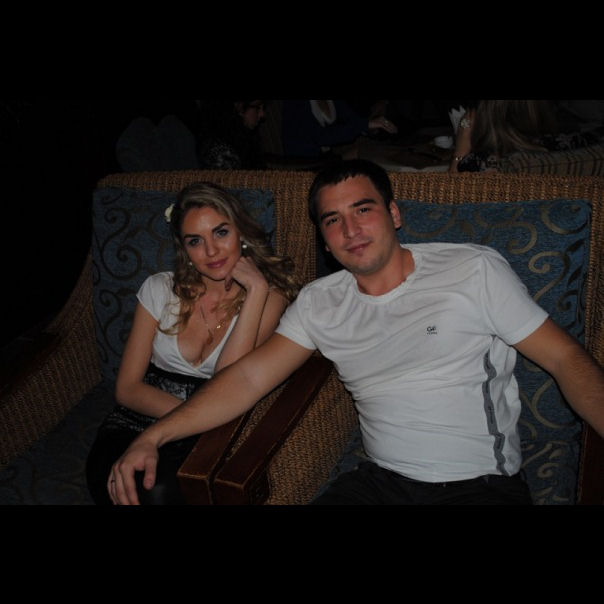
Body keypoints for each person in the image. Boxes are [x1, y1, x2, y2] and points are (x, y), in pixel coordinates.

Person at [107, 159, 604, 506]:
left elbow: (564, 359)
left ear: (394, 214)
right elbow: (246, 379)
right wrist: (154, 436)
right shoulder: (319, 303)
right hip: (378, 485)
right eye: (333, 220)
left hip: (477, 485)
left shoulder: (472, 270)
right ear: (324, 240)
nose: (350, 230)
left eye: (363, 210)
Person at [86, 182, 298, 505]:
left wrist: (256, 291)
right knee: (119, 481)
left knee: (158, 492)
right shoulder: (159, 289)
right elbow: (127, 389)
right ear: (184, 249)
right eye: (195, 241)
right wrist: (194, 416)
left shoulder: (269, 296)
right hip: (139, 417)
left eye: (221, 232)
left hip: (214, 428)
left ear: (240, 232)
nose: (211, 251)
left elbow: (229, 381)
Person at [449, 99, 604, 173]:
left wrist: (461, 149)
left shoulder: (481, 163)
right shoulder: (573, 144)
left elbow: (451, 204)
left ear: (487, 112)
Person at [281, 100, 398, 158]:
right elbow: (321, 137)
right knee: (364, 153)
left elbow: (352, 119)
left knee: (374, 148)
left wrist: (374, 125)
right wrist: (365, 125)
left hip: (327, 156)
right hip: (305, 163)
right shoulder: (295, 103)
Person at [197, 100, 267, 169]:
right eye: (257, 107)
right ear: (239, 106)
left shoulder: (246, 138)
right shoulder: (219, 150)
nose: (262, 114)